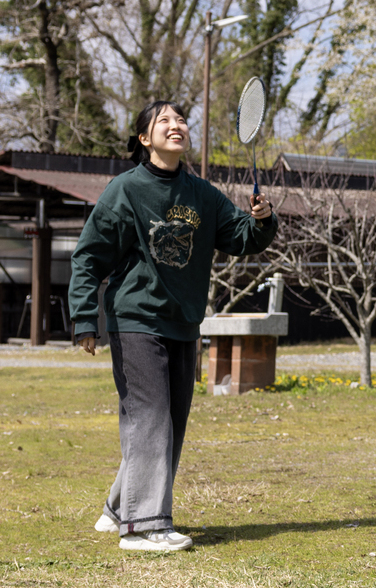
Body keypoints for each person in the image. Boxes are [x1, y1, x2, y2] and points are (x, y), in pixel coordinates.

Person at [69, 99, 277, 553]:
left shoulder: (201, 194)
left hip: (184, 322)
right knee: (150, 417)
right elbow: (89, 256)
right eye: (163, 120)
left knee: (171, 422)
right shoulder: (124, 190)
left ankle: (119, 508)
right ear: (145, 139)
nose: (175, 125)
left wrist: (263, 220)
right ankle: (144, 527)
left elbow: (242, 237)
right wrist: (85, 318)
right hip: (135, 319)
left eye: (180, 119)